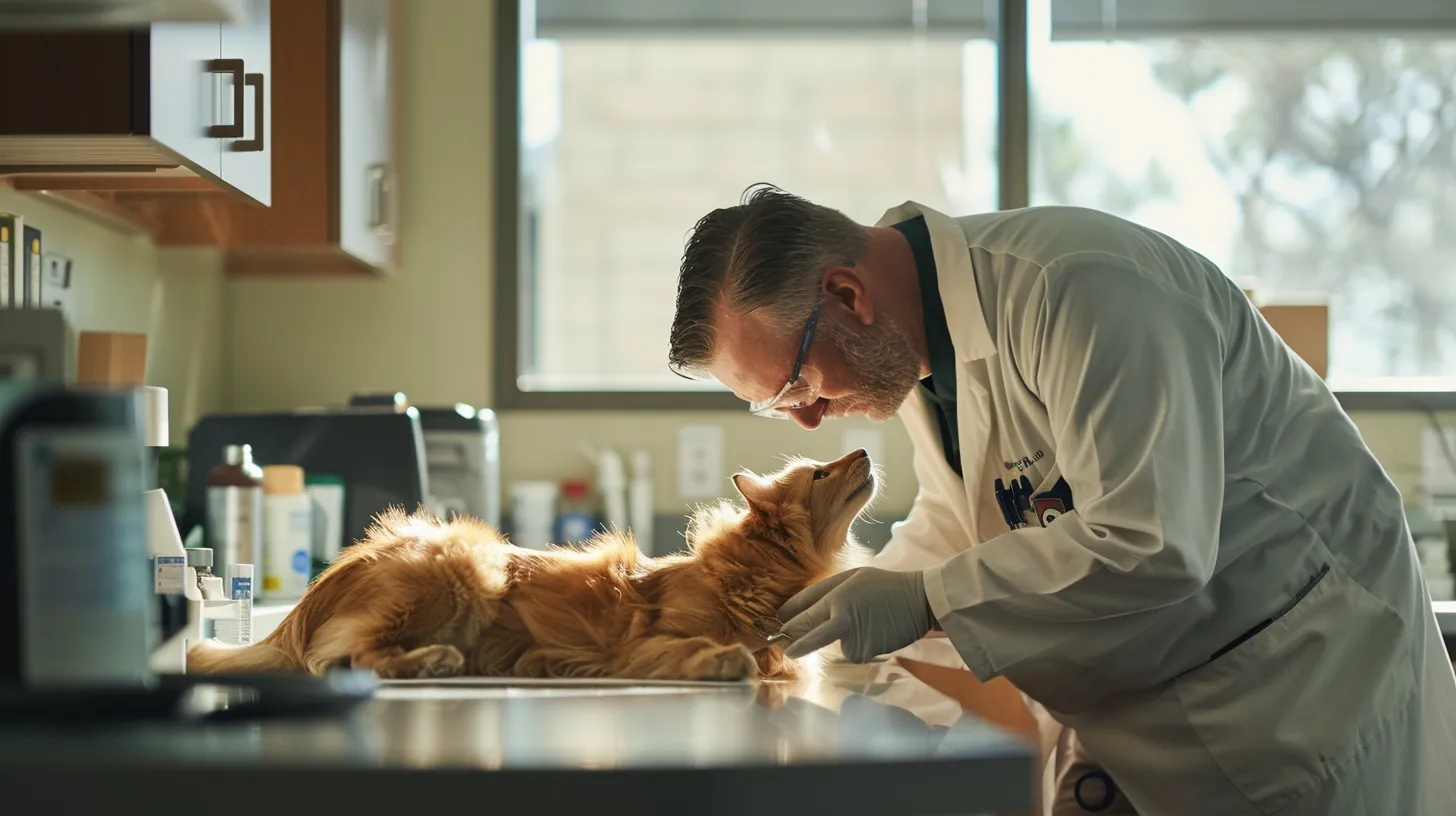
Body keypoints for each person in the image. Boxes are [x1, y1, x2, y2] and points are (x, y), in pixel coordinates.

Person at [666, 184, 1456, 815]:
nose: (803, 418)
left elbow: (1152, 538)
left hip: (1299, 697)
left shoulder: (1083, 289)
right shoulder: (913, 359)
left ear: (847, 294)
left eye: (796, 385)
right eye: (777, 405)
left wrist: (927, 599)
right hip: (1143, 712)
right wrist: (832, 623)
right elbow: (967, 520)